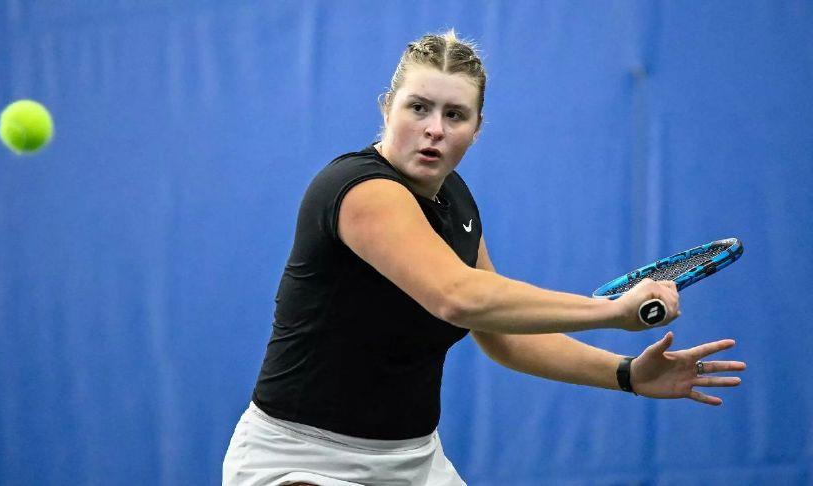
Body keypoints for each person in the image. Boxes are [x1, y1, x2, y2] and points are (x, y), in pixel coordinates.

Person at [222, 30, 746, 486]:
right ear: (387, 108)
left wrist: (627, 374)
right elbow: (458, 297)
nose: (434, 128)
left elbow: (503, 334)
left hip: (413, 461)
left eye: (455, 115)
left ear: (476, 129)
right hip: (303, 459)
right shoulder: (358, 190)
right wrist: (610, 312)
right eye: (418, 107)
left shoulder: (455, 201)